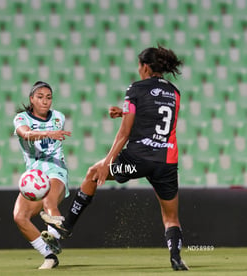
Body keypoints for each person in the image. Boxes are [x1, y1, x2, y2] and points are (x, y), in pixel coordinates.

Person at [41, 45, 189, 271]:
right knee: (171, 217)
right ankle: (176, 257)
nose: (139, 70)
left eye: (140, 66)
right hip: (165, 162)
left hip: (137, 160)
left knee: (92, 174)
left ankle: (67, 227)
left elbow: (125, 133)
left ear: (146, 67)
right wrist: (124, 111)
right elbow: (159, 119)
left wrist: (107, 161)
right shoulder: (175, 92)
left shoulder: (136, 89)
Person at [13, 81, 71, 269]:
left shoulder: (58, 117)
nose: (45, 101)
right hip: (34, 174)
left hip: (55, 168)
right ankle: (49, 255)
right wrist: (48, 133)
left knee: (49, 203)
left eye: (49, 97)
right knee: (20, 216)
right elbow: (24, 133)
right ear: (32, 99)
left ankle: (54, 237)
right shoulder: (21, 118)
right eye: (40, 97)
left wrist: (49, 132)